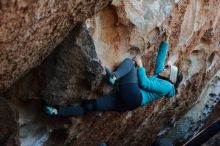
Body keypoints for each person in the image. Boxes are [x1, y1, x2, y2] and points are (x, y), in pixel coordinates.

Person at [44, 28, 183, 116]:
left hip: (135, 96)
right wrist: (165, 42)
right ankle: (56, 111)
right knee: (90, 105)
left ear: (171, 77)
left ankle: (114, 77)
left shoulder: (167, 86)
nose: (165, 68)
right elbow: (160, 62)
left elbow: (145, 83)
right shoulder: (162, 78)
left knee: (129, 63)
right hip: (126, 103)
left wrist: (140, 65)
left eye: (168, 69)